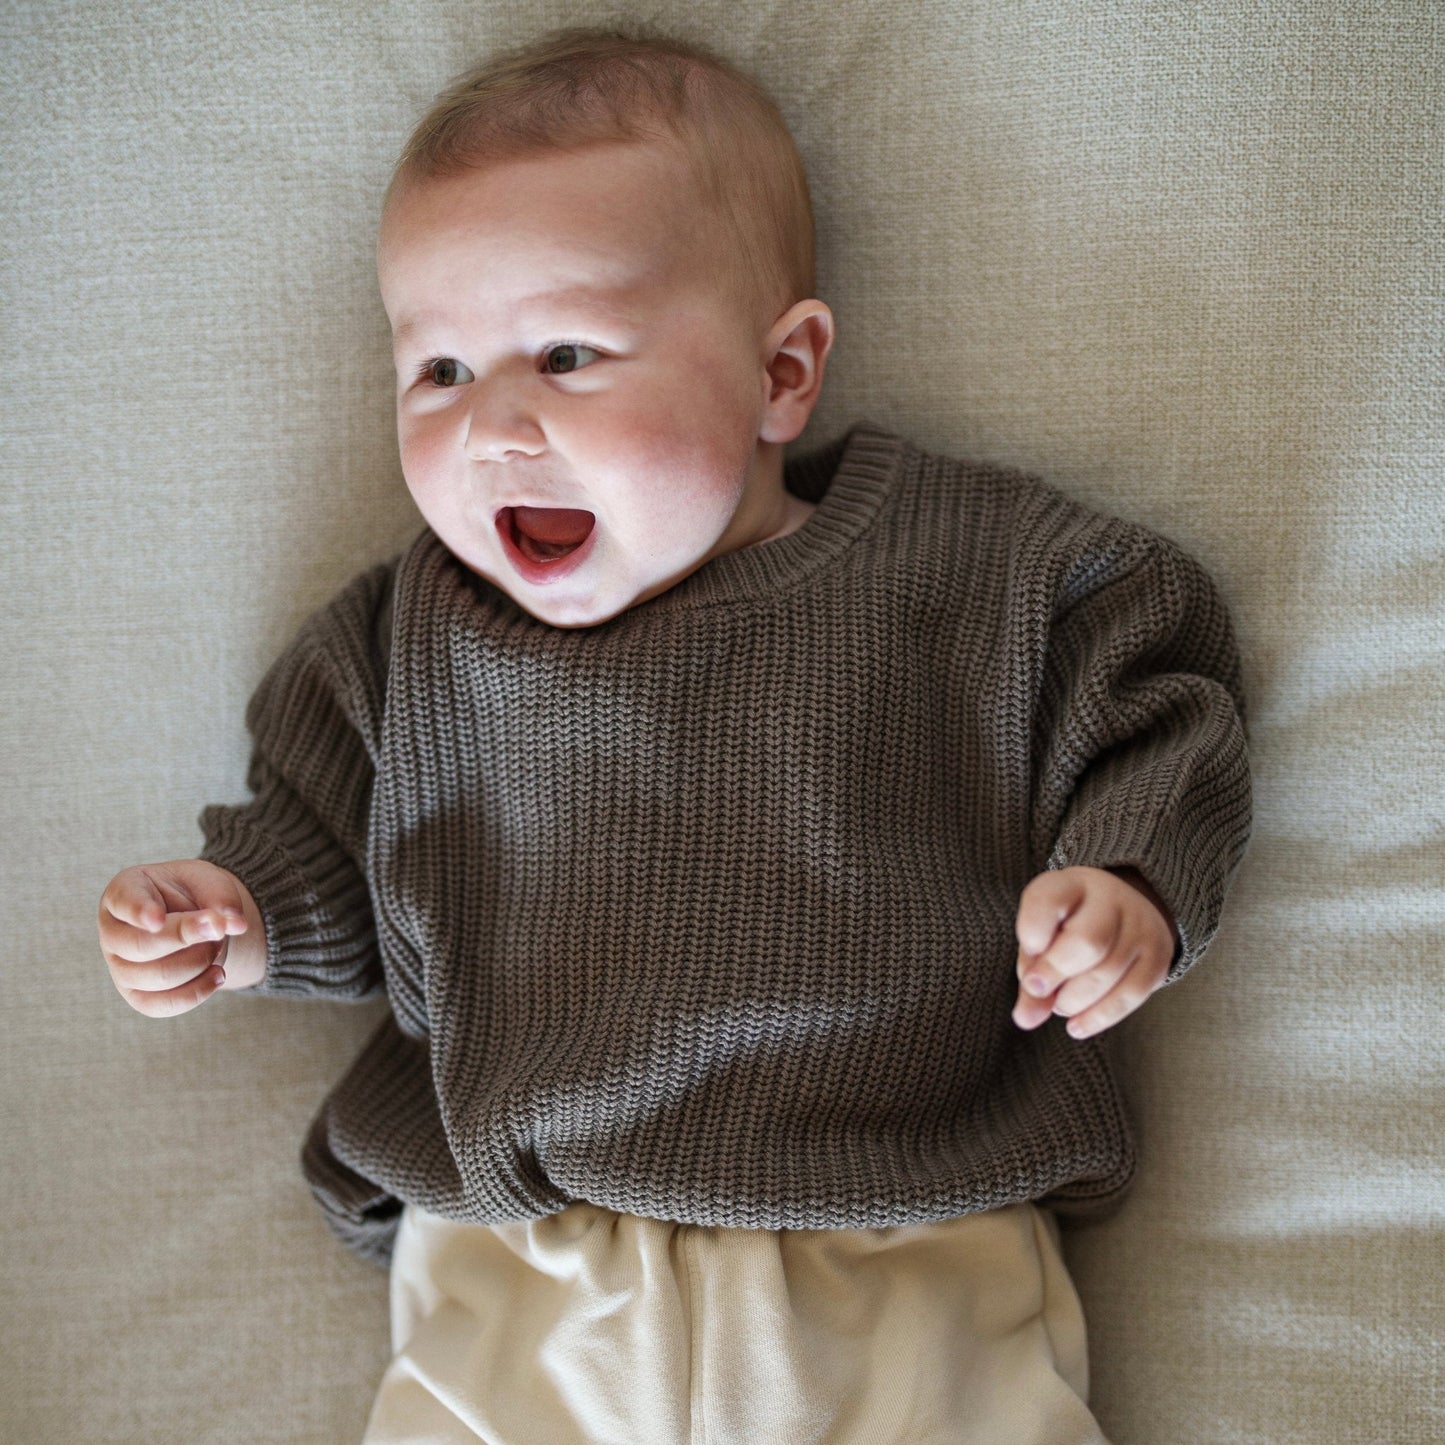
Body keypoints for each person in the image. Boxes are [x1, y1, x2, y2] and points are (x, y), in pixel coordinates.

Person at [97, 26, 1251, 1445]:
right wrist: (244, 916)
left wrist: (1127, 872)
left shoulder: (969, 576)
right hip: (526, 1259)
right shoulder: (407, 642)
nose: (494, 426)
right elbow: (335, 843)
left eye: (567, 354)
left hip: (896, 1239)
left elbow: (1156, 668)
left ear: (781, 374)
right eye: (439, 370)